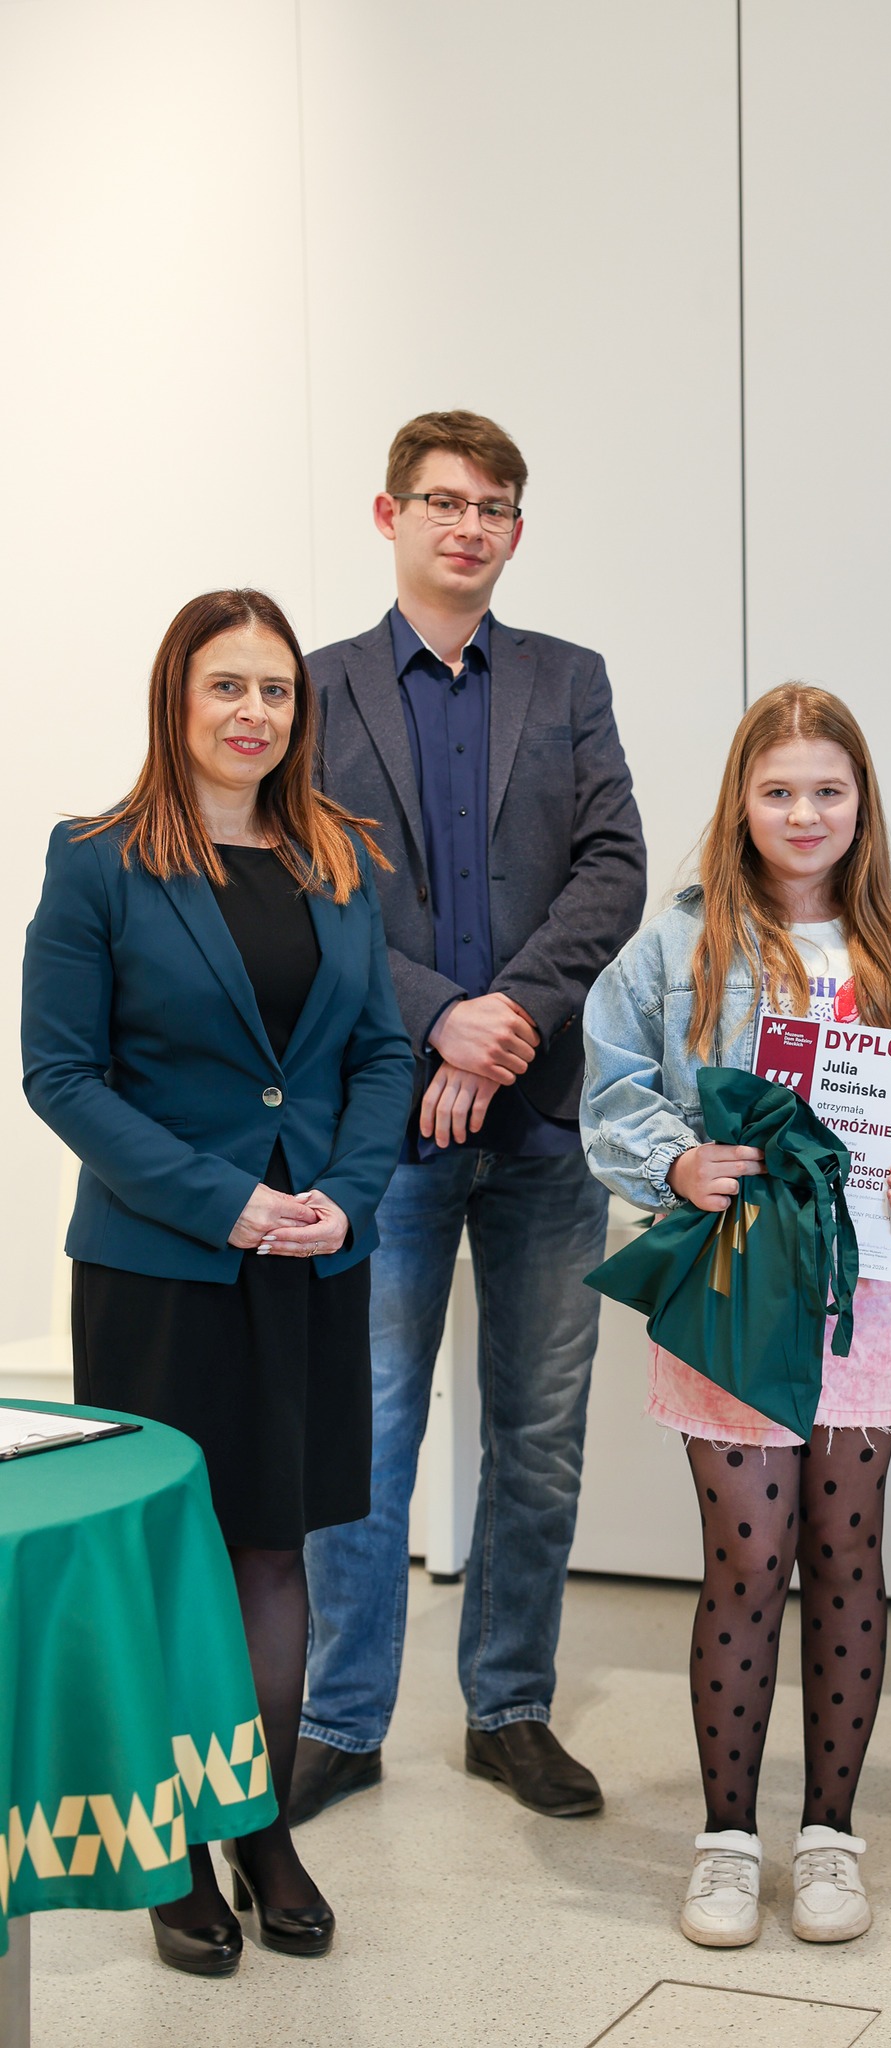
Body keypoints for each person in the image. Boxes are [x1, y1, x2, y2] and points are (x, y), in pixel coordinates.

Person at [21, 590, 413, 1974]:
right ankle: (173, 1851)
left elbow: (380, 1053)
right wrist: (221, 1200)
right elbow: (61, 1074)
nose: (254, 712)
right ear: (175, 699)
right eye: (227, 685)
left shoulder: (338, 857)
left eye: (276, 690)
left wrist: (345, 1195)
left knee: (273, 1545)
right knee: (169, 1550)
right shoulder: (97, 861)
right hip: (162, 1265)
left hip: (309, 1252)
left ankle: (261, 1829)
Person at [581, 685, 891, 1946]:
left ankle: (830, 1836)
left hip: (863, 1292)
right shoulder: (681, 944)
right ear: (741, 802)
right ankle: (726, 1840)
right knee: (747, 1559)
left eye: (827, 789)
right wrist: (673, 1160)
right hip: (734, 1287)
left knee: (845, 1551)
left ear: (863, 802)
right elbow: (610, 1082)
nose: (803, 813)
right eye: (777, 791)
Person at [293, 410, 647, 1826]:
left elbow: (613, 867)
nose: (468, 525)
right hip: (380, 1127)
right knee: (368, 1430)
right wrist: (439, 1012)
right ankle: (338, 1718)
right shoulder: (315, 689)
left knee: (538, 1432)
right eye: (443, 501)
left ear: (516, 529)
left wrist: (503, 1025)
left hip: (541, 1125)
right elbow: (302, 884)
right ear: (389, 516)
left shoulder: (568, 679)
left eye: (492, 506)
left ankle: (509, 1708)